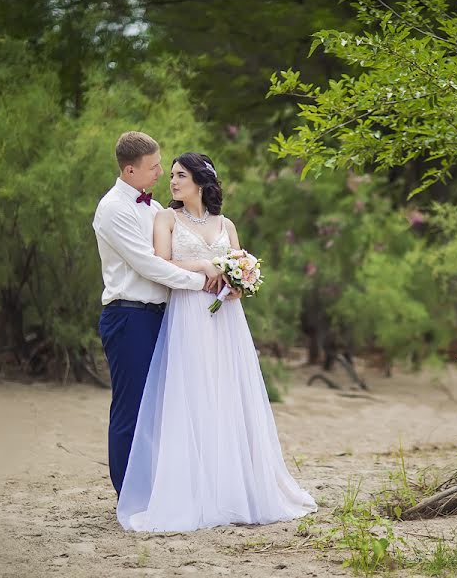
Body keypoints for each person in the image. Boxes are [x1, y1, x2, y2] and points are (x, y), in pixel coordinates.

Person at [116, 152, 317, 531]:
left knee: (228, 393)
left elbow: (239, 263)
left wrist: (240, 282)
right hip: (188, 315)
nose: (173, 182)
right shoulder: (166, 218)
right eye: (171, 175)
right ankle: (196, 490)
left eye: (180, 176)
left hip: (226, 318)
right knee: (192, 394)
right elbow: (160, 263)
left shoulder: (226, 223)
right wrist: (206, 266)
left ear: (201, 182)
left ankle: (234, 488)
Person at [93, 132, 223, 496]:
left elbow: (175, 250)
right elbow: (149, 266)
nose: (161, 172)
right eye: (154, 167)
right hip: (128, 316)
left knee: (161, 408)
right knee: (131, 409)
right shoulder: (113, 209)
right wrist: (202, 281)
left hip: (163, 317)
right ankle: (128, 494)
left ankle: (157, 488)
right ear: (130, 169)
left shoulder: (153, 209)